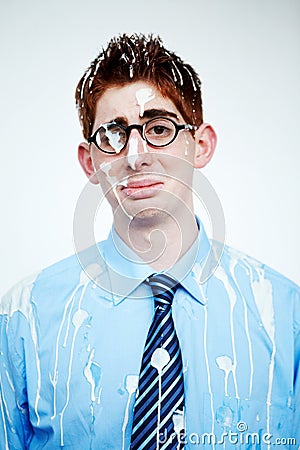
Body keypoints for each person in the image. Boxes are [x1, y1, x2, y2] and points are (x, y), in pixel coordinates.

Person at [0, 33, 299, 450]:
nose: (136, 155)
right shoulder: (23, 321)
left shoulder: (287, 317)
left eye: (159, 128)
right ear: (90, 162)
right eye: (113, 134)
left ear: (201, 145)